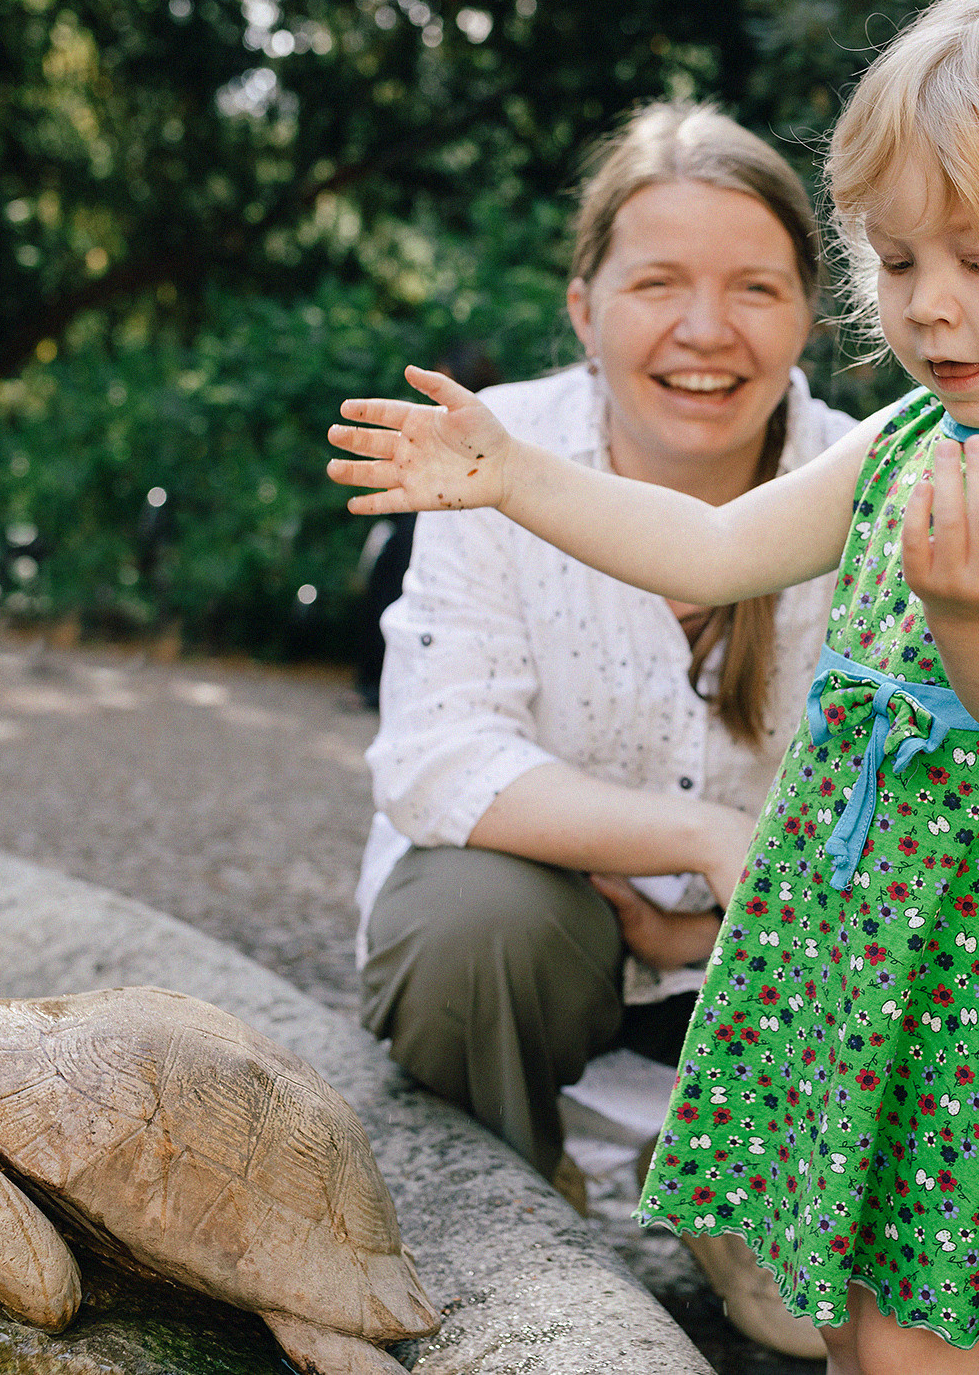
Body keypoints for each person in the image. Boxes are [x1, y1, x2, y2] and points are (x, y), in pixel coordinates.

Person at [329, 0, 979, 1375]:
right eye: (896, 265)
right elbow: (706, 548)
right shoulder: (897, 442)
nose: (930, 309)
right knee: (856, 1329)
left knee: (916, 1343)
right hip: (860, 956)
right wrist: (515, 477)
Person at [351, 101, 855, 1357]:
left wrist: (706, 911)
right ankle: (514, 1213)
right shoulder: (494, 455)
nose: (704, 329)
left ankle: (742, 1185)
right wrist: (693, 830)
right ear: (583, 305)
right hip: (546, 931)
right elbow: (435, 757)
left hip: (773, 956)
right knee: (473, 922)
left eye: (753, 286)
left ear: (807, 315)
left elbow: (902, 806)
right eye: (657, 283)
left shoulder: (870, 480)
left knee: (816, 1329)